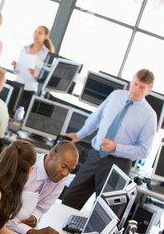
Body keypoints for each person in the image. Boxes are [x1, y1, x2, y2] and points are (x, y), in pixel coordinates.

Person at [61, 69, 157, 210]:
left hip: (117, 165)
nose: (136, 90)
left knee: (105, 211)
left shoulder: (149, 116)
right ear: (131, 81)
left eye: (142, 87)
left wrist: (116, 147)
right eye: (135, 84)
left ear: (149, 91)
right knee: (69, 199)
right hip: (95, 157)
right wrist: (79, 135)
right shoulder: (116, 96)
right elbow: (96, 118)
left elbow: (144, 151)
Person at [6, 141, 79, 234]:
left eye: (70, 170)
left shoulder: (59, 176)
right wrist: (30, 232)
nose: (65, 173)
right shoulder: (26, 166)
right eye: (63, 166)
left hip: (17, 231)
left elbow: (42, 208)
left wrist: (35, 218)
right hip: (2, 228)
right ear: (52, 156)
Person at [12, 26, 55, 118]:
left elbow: (45, 77)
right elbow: (17, 71)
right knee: (10, 111)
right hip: (17, 84)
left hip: (30, 88)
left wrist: (35, 75)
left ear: (46, 36)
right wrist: (16, 66)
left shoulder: (47, 54)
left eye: (39, 33)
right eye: (35, 32)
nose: (36, 34)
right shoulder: (25, 48)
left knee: (22, 116)